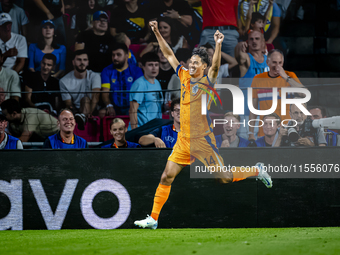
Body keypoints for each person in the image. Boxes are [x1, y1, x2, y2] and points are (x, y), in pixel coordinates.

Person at [134, 21, 272, 230]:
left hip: (202, 141)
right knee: (166, 176)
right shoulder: (183, 75)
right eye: (191, 61)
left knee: (223, 178)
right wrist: (155, 32)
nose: (191, 64)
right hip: (183, 140)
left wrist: (218, 45)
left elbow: (216, 66)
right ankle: (153, 219)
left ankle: (256, 170)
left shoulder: (207, 81)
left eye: (196, 62)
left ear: (203, 67)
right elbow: (169, 54)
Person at [248, 49, 305, 139]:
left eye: (280, 63)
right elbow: (253, 109)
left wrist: (286, 78)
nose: (277, 66)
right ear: (267, 62)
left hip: (287, 130)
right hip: (266, 131)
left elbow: (304, 94)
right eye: (274, 62)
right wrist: (250, 133)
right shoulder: (257, 79)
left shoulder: (290, 75)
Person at [235, 29, 269, 139]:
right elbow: (238, 56)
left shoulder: (269, 61)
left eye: (257, 39)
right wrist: (239, 45)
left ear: (263, 41)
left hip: (266, 113)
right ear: (247, 42)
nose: (254, 41)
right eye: (251, 39)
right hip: (245, 113)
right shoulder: (246, 58)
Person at [59, 50, 101, 129]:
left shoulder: (95, 76)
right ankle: (81, 118)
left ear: (88, 62)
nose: (82, 62)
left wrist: (90, 112)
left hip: (93, 108)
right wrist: (74, 114)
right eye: (79, 60)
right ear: (73, 62)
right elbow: (68, 104)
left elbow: (96, 95)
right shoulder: (64, 81)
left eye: (85, 60)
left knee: (85, 100)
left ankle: (83, 118)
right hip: (75, 111)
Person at [101, 43, 143, 116]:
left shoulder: (136, 70)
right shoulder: (106, 70)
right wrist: (109, 105)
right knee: (102, 113)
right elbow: (105, 91)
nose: (115, 58)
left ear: (127, 55)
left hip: (132, 106)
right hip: (114, 107)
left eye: (118, 55)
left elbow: (139, 92)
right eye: (113, 55)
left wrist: (133, 107)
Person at [129, 52, 163, 130]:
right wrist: (135, 132)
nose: (154, 68)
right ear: (143, 67)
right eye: (150, 65)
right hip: (142, 130)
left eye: (156, 65)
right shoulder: (140, 84)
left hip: (153, 129)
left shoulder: (157, 83)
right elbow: (132, 110)